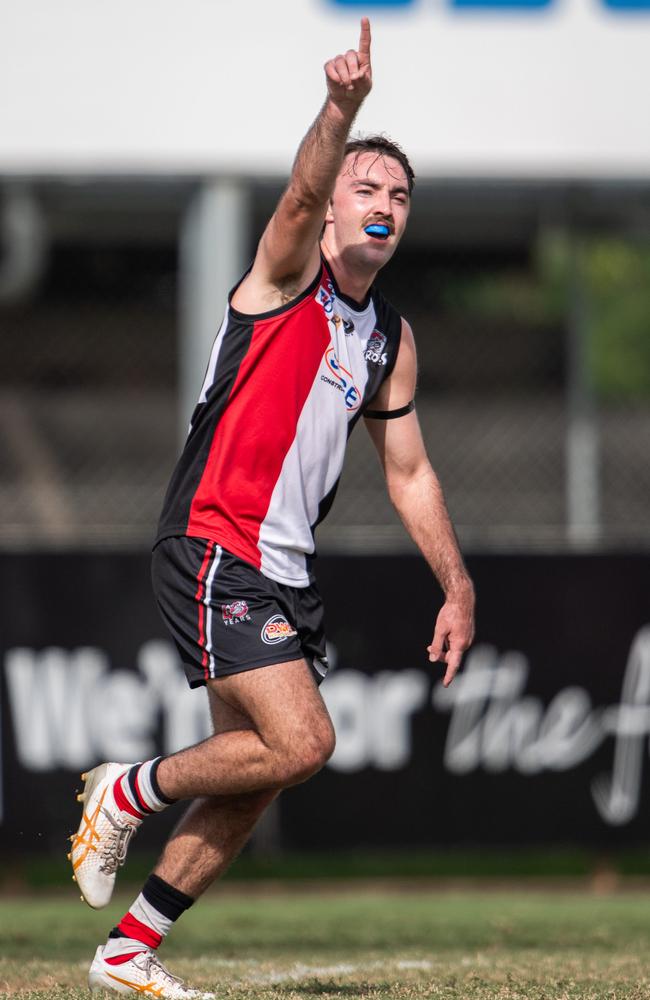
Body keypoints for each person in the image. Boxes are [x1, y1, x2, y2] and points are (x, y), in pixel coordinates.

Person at [70, 18, 475, 998]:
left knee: (257, 771)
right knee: (305, 742)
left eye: (398, 196)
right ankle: (124, 789)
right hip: (215, 541)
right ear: (331, 209)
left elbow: (409, 472)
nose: (382, 206)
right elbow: (299, 187)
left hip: (283, 570)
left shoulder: (387, 339)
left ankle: (126, 951)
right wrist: (340, 109)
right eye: (364, 190)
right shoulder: (286, 276)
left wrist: (455, 584)